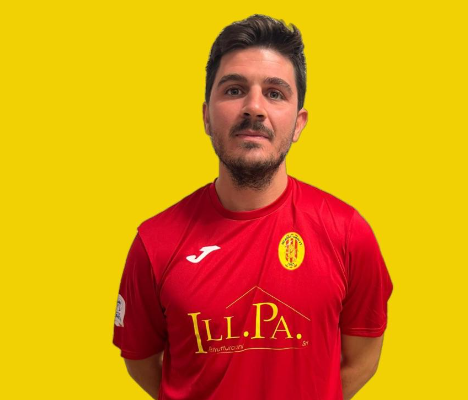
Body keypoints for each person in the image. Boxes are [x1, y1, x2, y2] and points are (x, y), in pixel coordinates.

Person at [113, 14, 393, 400]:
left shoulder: (348, 232)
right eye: (234, 90)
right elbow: (141, 361)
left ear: (299, 123)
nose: (254, 108)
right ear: (206, 116)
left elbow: (362, 359)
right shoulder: (154, 242)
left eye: (275, 93)